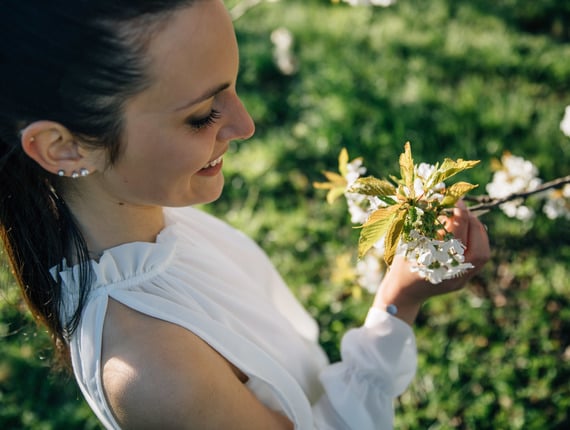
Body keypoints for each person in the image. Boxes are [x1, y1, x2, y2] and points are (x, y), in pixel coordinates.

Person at [0, 0, 490, 428]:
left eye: (233, 87)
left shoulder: (150, 221)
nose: (246, 125)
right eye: (202, 115)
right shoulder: (156, 372)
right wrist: (397, 304)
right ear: (63, 149)